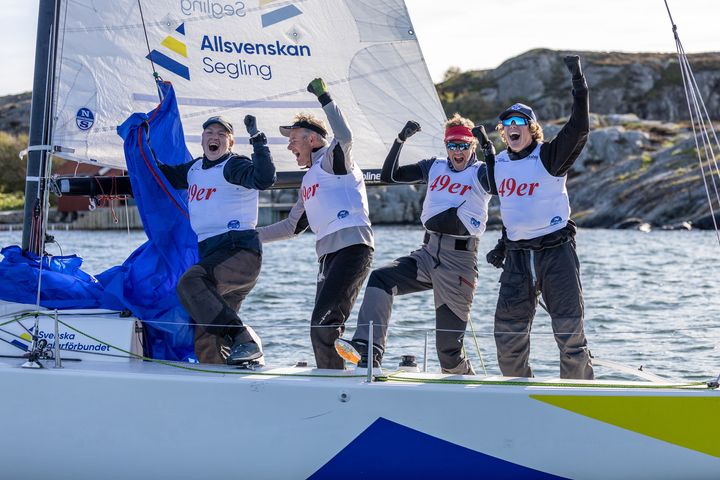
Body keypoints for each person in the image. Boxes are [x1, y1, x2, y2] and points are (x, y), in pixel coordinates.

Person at [338, 114, 494, 374]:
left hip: (459, 262)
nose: (458, 151)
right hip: (427, 254)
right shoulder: (434, 166)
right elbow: (390, 175)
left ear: (472, 146)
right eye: (452, 145)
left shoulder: (480, 172)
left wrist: (489, 148)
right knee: (381, 279)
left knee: (448, 353)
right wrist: (400, 140)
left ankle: (469, 390)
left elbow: (498, 184)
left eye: (464, 145)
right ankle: (368, 351)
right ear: (446, 146)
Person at [485, 55, 594, 380]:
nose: (513, 129)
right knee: (507, 338)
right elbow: (513, 209)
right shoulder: (499, 163)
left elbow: (579, 127)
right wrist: (502, 246)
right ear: (503, 133)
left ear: (532, 130)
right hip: (518, 258)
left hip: (555, 254)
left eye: (520, 124)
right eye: (507, 126)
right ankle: (520, 395)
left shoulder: (548, 156)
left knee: (570, 336)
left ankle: (581, 402)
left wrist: (578, 83)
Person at [257, 78, 374, 370]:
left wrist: (324, 96)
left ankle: (341, 379)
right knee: (319, 326)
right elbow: (290, 227)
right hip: (328, 256)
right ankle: (332, 375)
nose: (288, 146)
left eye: (293, 140)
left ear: (312, 139)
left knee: (324, 324)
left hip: (352, 249)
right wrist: (245, 237)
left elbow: (344, 136)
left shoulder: (332, 162)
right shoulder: (309, 179)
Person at [156, 114, 276, 365]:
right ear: (202, 140)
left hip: (240, 252)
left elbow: (264, 179)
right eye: (210, 133)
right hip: (212, 254)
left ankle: (244, 340)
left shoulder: (233, 166)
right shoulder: (194, 169)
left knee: (190, 282)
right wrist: (139, 147)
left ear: (230, 143)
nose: (215, 138)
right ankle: (222, 378)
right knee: (207, 335)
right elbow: (160, 175)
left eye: (221, 135)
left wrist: (257, 140)